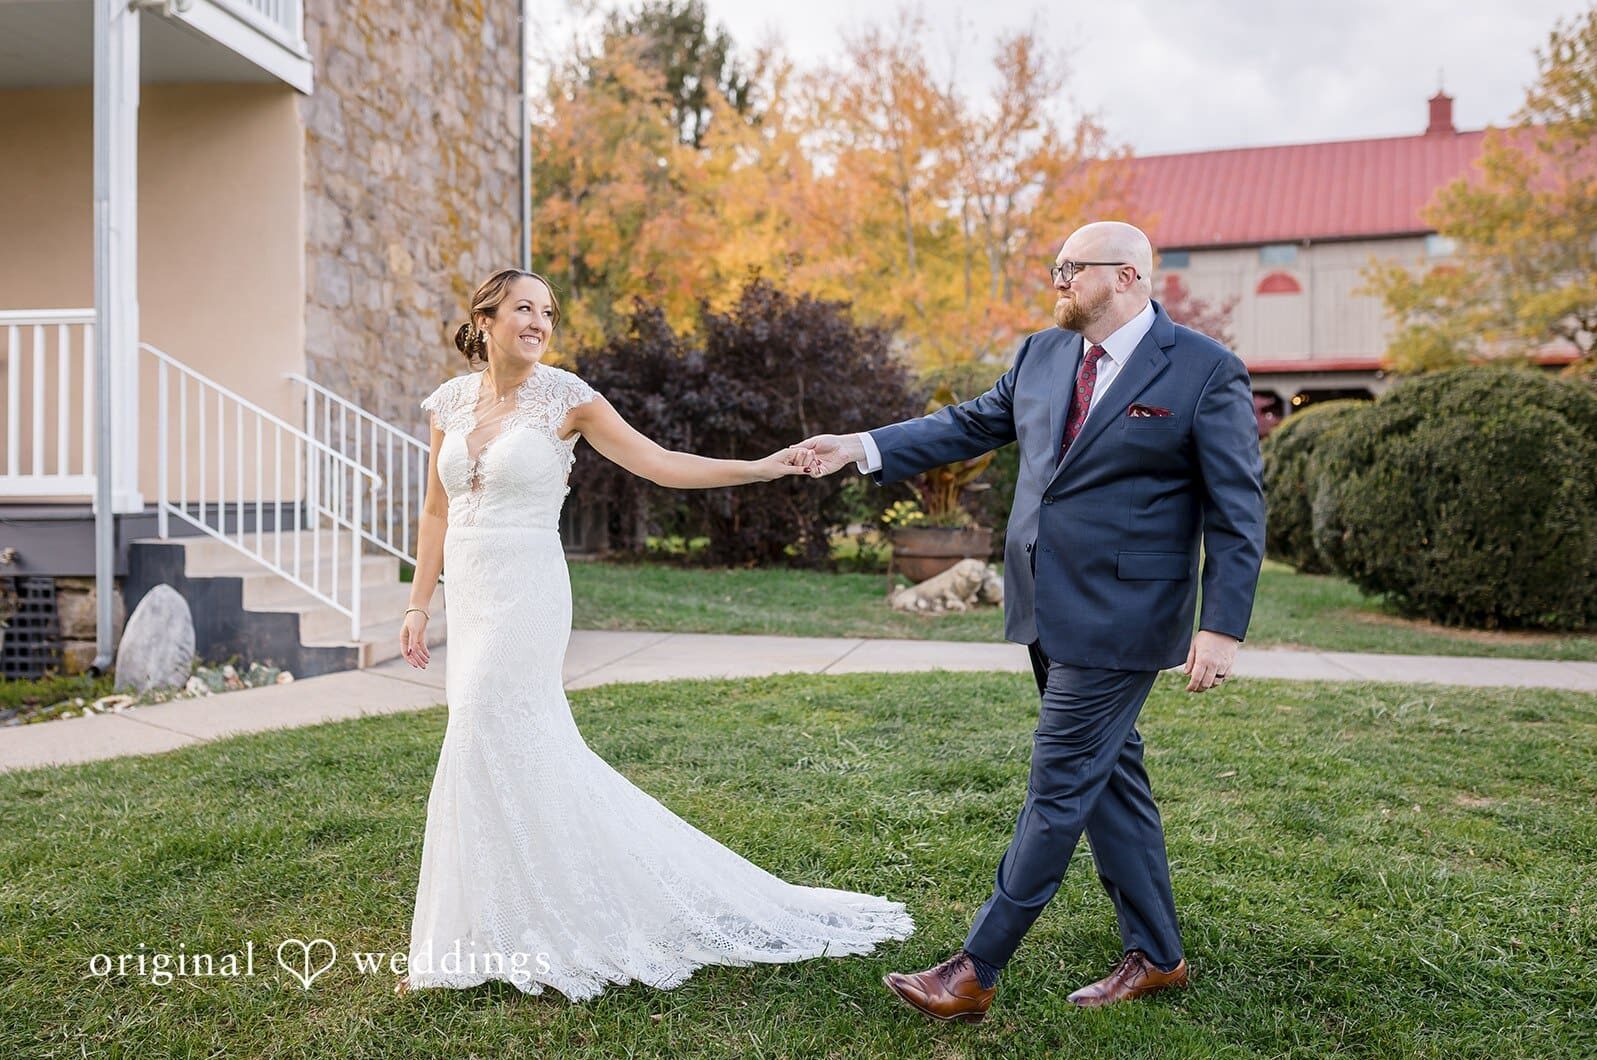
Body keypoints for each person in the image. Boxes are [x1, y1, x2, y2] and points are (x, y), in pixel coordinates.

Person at [395, 268, 913, 1000]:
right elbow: (436, 512)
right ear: (484, 320)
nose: (539, 321)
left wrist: (761, 470)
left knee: (487, 722)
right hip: (470, 595)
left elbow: (660, 464)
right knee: (492, 741)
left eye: (548, 310)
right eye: (523, 308)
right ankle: (487, 923)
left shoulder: (568, 397)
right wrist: (419, 603)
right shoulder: (447, 402)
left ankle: (541, 918)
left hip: (527, 593)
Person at [797, 221, 1265, 1023]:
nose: (1054, 281)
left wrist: (1219, 626)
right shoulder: (1042, 355)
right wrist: (861, 447)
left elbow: (1237, 506)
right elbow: (967, 424)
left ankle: (973, 970)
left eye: (1067, 270)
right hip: (1044, 605)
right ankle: (1157, 956)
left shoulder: (1203, 370)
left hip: (1125, 615)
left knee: (1056, 787)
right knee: (1108, 782)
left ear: (1123, 277)